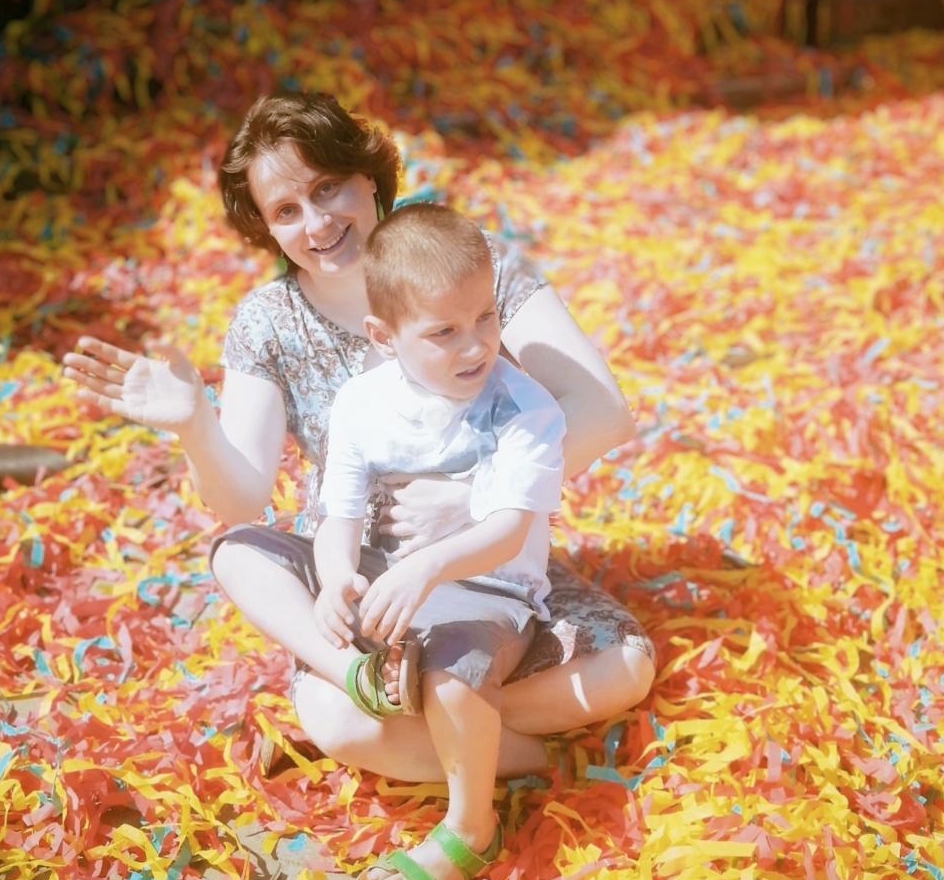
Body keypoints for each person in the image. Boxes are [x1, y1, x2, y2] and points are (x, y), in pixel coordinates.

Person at [62, 90, 654, 786]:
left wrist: (471, 500)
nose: (317, 224)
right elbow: (242, 502)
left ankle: (432, 735)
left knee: (626, 669)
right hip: (359, 580)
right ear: (267, 228)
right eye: (287, 211)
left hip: (488, 566)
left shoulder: (464, 261)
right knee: (262, 587)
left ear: (368, 176)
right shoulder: (268, 322)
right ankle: (387, 693)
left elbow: (603, 409)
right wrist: (195, 424)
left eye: (327, 188)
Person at [312, 202, 566, 880]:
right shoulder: (360, 403)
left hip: (487, 585)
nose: (475, 345)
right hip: (391, 574)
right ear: (383, 336)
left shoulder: (524, 407)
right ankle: (375, 675)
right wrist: (335, 577)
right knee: (246, 556)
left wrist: (422, 570)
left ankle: (470, 826)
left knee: (453, 667)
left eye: (485, 316)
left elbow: (509, 533)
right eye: (444, 331)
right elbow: (341, 515)